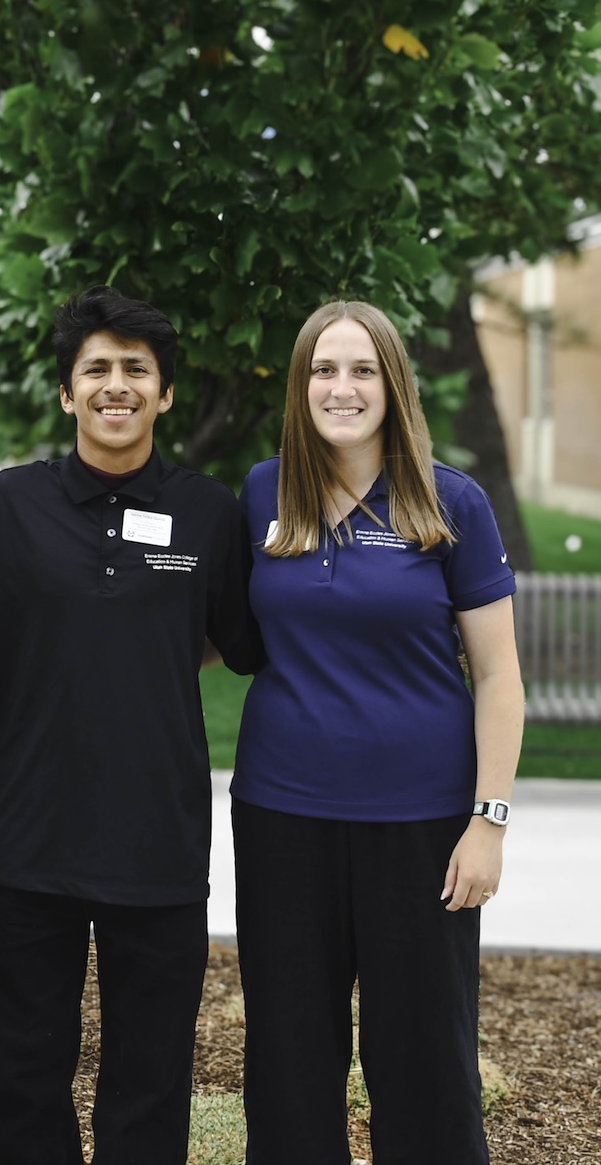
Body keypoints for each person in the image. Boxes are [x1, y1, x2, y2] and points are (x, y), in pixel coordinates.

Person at [0, 286, 262, 1163]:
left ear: (164, 394)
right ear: (66, 393)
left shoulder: (210, 514)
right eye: (96, 369)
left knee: (150, 1080)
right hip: (28, 842)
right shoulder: (11, 506)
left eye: (136, 370)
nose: (115, 385)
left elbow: (240, 645)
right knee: (21, 1075)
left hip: (158, 845)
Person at [232, 301, 522, 1165]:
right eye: (324, 370)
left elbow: (500, 676)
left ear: (392, 385)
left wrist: (489, 821)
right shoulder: (261, 492)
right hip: (282, 815)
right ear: (300, 385)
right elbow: (209, 626)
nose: (342, 388)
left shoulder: (451, 500)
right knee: (287, 1054)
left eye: (362, 370)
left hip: (422, 826)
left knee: (424, 1057)